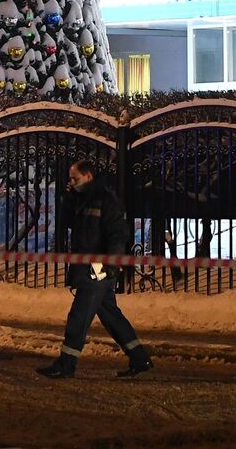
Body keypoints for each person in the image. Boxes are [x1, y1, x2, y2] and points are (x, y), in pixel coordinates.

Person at [35, 158, 152, 379]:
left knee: (80, 313)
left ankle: (66, 364)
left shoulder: (105, 200)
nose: (71, 182)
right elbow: (66, 222)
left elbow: (117, 235)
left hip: (98, 266)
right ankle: (139, 357)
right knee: (110, 314)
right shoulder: (82, 199)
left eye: (75, 178)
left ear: (88, 176)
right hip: (89, 264)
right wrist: (69, 197)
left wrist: (109, 266)